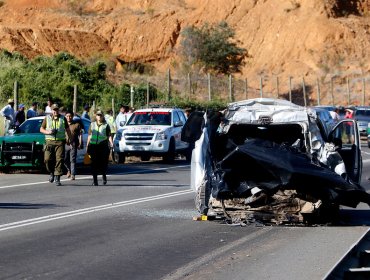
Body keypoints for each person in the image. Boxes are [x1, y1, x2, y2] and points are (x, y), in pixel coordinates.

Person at [40, 103, 68, 186]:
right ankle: (51, 172)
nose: (55, 111)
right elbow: (41, 129)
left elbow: (67, 130)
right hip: (49, 141)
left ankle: (57, 177)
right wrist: (48, 132)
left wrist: (70, 139)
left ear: (58, 110)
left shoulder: (63, 118)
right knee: (47, 159)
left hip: (60, 141)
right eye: (54, 109)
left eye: (56, 109)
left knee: (59, 159)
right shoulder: (47, 118)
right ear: (51, 110)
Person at [86, 110, 113, 186]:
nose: (99, 116)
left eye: (100, 115)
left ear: (103, 116)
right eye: (98, 115)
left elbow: (109, 135)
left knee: (103, 163)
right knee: (94, 164)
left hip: (103, 146)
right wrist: (87, 145)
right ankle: (95, 181)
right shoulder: (92, 124)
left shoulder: (106, 125)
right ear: (96, 116)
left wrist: (111, 143)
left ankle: (104, 175)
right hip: (93, 146)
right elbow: (89, 135)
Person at [64, 111, 82, 181]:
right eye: (67, 116)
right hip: (65, 144)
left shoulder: (76, 125)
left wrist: (80, 143)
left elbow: (80, 134)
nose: (69, 117)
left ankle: (73, 174)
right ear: (65, 117)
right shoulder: (63, 124)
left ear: (72, 116)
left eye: (70, 116)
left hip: (73, 144)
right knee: (64, 159)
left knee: (72, 160)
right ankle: (69, 170)